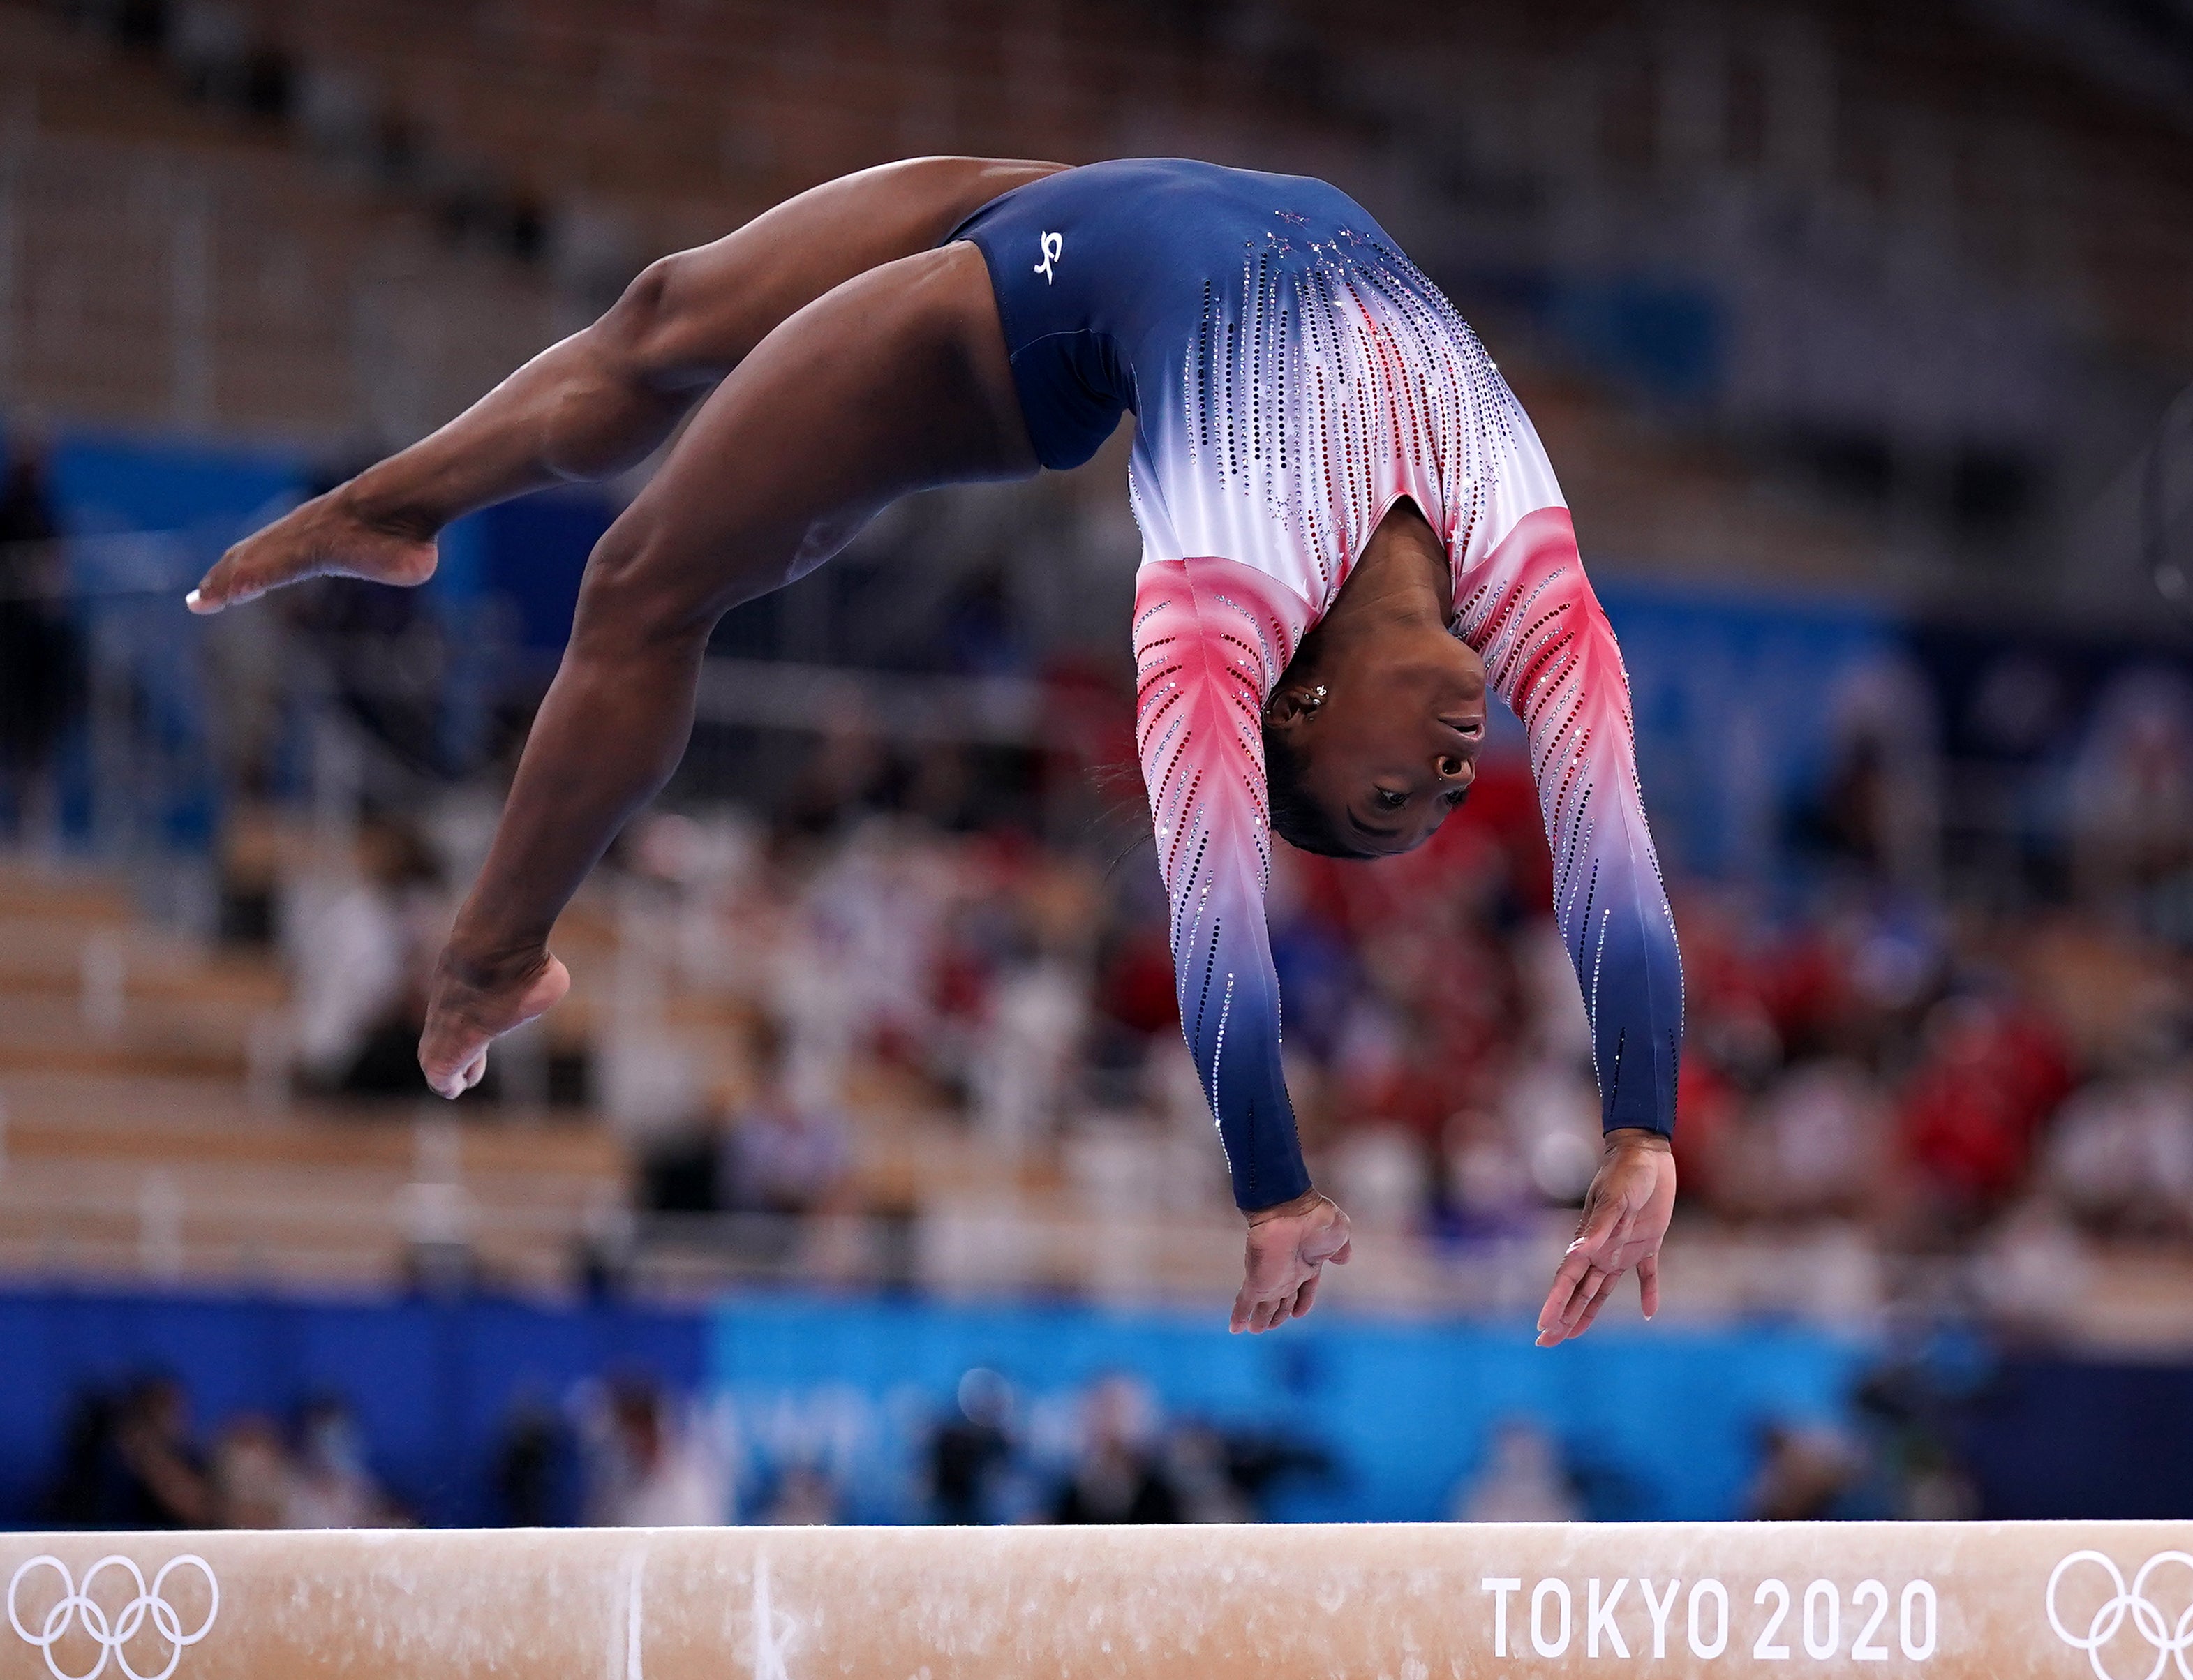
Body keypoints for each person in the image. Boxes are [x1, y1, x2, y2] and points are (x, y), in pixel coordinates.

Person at [184, 156, 1683, 1340]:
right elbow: (1612, 876)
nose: (1442, 773)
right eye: (1419, 794)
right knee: (656, 317)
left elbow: (1221, 929)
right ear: (1301, 712)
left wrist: (1276, 1188)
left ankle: (490, 958)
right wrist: (1640, 1130)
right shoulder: (1538, 600)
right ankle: (402, 507)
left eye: (1394, 799)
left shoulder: (1220, 609)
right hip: (1100, 198)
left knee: (641, 587)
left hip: (1024, 324)